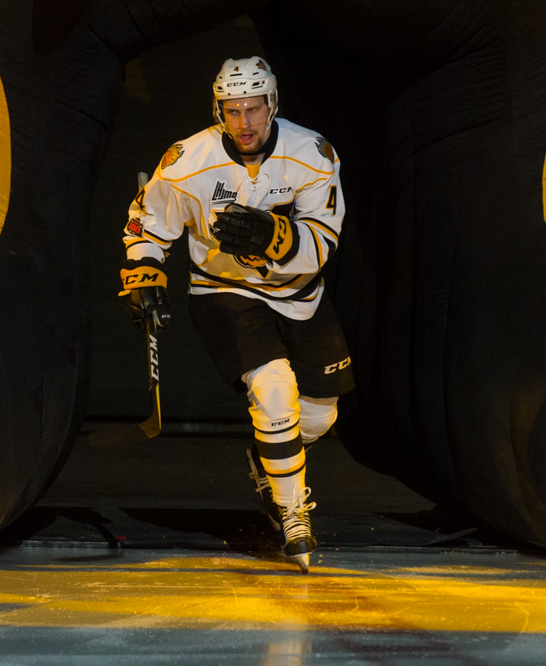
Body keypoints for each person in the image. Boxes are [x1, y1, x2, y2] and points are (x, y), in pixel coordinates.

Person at [119, 57, 354, 573]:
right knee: (273, 388)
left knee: (319, 414)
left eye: (253, 108)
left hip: (300, 293)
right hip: (222, 289)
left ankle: (263, 459)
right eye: (232, 110)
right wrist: (144, 272)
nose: (244, 122)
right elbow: (149, 221)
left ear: (272, 105)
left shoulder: (312, 153)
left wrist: (277, 237)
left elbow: (325, 240)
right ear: (217, 110)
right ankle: (293, 512)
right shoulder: (188, 160)